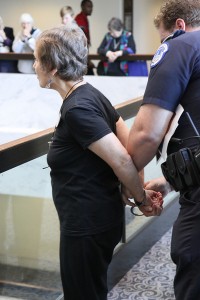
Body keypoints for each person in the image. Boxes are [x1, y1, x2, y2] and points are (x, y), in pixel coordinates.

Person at [33, 25, 162, 300]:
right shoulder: (88, 93)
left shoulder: (78, 108)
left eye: (37, 59)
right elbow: (128, 144)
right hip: (98, 219)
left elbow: (122, 158)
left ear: (53, 67)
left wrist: (140, 197)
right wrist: (135, 187)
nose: (33, 65)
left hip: (86, 226)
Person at [126, 1, 200, 299]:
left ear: (179, 26)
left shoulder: (180, 45)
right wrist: (171, 180)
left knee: (191, 261)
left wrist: (127, 182)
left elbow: (146, 134)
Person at [75, 0, 94, 75]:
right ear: (82, 7)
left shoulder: (84, 18)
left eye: (91, 7)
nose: (91, 9)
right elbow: (81, 41)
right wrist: (88, 60)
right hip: (81, 57)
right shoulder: (80, 19)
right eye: (89, 6)